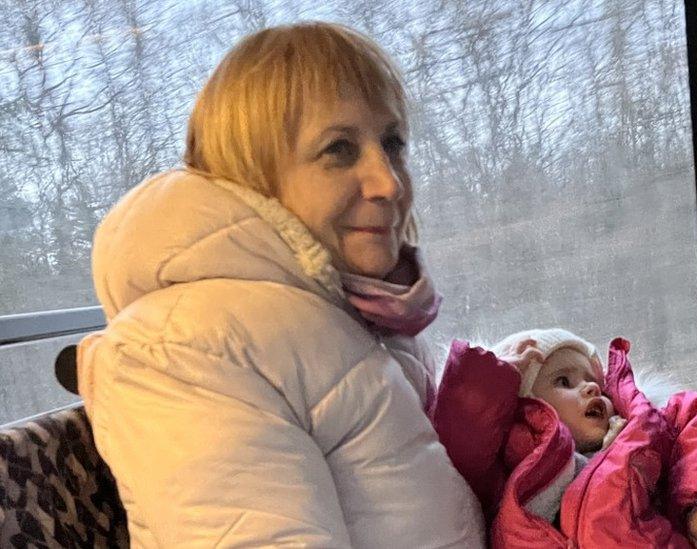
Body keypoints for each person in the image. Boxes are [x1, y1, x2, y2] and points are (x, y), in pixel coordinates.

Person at [74, 22, 483, 547]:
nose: (389, 183)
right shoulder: (182, 346)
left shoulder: (357, 317)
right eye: (339, 149)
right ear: (252, 173)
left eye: (392, 142)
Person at [432, 329, 697, 548]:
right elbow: (462, 440)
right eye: (564, 381)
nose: (591, 388)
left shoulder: (641, 434)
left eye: (593, 381)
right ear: (527, 408)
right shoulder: (512, 458)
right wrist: (496, 377)